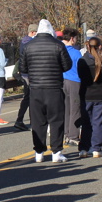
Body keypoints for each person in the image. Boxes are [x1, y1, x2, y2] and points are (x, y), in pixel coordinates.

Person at [17, 19, 71, 162]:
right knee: (56, 121)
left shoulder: (28, 46)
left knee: (38, 121)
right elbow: (67, 66)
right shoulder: (58, 45)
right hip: (54, 87)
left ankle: (39, 152)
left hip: (35, 88)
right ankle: (56, 152)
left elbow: (22, 68)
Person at [77, 37, 102, 158]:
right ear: (99, 47)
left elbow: (81, 76)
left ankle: (84, 148)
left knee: (86, 122)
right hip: (100, 94)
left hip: (86, 94)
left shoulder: (83, 61)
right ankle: (96, 148)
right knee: (99, 122)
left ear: (88, 46)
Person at [13, 24, 38, 132]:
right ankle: (31, 122)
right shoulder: (30, 42)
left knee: (27, 97)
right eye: (36, 32)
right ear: (32, 32)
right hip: (29, 73)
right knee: (31, 98)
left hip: (25, 73)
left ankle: (20, 120)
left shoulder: (23, 42)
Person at [61, 28, 82, 146]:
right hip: (74, 81)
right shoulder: (76, 53)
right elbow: (81, 69)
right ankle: (73, 136)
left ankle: (66, 133)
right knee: (75, 109)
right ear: (72, 39)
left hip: (62, 81)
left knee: (66, 109)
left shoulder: (60, 50)